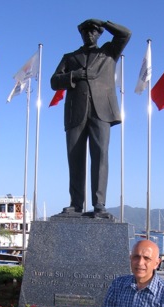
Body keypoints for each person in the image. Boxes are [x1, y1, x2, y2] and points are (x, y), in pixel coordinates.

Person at [51, 19, 131, 216]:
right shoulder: (70, 57)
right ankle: (76, 204)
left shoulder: (108, 53)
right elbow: (54, 81)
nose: (90, 35)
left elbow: (125, 34)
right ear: (81, 34)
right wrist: (73, 75)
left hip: (101, 111)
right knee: (75, 158)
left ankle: (99, 204)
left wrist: (105, 22)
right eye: (86, 32)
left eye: (94, 31)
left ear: (99, 34)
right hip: (75, 112)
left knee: (100, 156)